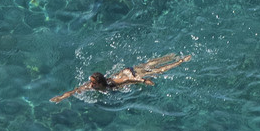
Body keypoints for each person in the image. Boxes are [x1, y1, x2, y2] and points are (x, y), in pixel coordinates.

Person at [51, 53, 193, 103]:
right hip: (127, 71)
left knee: (158, 70)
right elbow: (74, 91)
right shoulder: (91, 85)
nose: (90, 85)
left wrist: (144, 81)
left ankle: (181, 60)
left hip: (131, 75)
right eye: (91, 82)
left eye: (93, 83)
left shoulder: (112, 84)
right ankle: (171, 56)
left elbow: (127, 80)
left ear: (100, 83)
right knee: (149, 64)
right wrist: (61, 97)